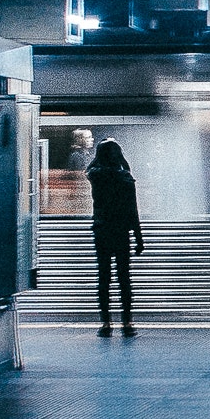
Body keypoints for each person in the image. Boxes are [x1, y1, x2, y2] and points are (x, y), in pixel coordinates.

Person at [87, 137, 143, 336]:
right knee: (124, 278)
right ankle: (127, 324)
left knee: (103, 278)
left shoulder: (95, 177)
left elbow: (91, 168)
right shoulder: (125, 179)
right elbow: (132, 211)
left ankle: (105, 324)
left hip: (102, 231)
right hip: (121, 233)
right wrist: (138, 238)